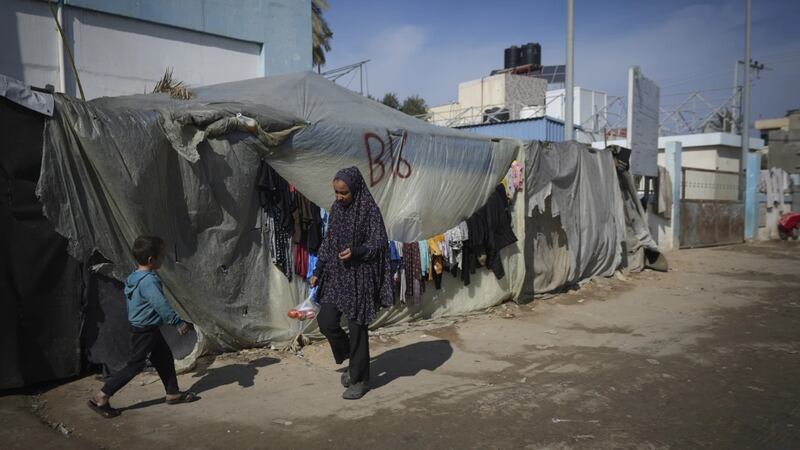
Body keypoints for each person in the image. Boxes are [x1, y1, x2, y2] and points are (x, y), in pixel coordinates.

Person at [87, 235, 197, 418]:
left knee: (164, 357)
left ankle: (172, 392)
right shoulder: (149, 281)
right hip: (145, 330)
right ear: (151, 259)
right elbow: (160, 304)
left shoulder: (135, 276)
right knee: (134, 365)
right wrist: (177, 322)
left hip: (146, 328)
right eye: (162, 256)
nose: (164, 259)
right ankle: (102, 395)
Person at [310, 167, 393, 400]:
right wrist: (318, 270)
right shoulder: (336, 209)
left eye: (343, 193)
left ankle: (360, 380)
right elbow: (329, 241)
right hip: (337, 276)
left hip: (360, 277)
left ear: (355, 190)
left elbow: (379, 243)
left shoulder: (369, 211)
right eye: (336, 192)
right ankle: (354, 360)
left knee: (357, 329)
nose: (339, 197)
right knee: (326, 321)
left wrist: (356, 251)